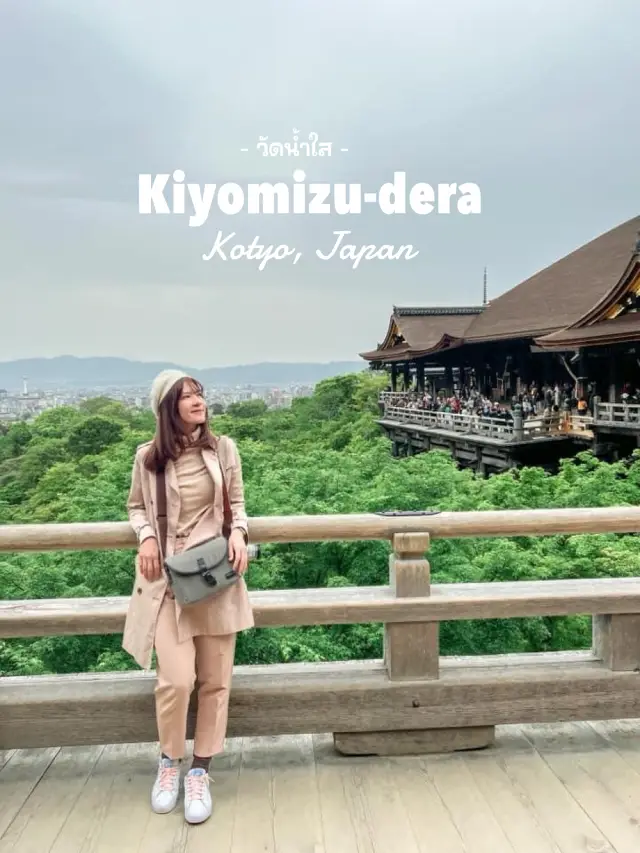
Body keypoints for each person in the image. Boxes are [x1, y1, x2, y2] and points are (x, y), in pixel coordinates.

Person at [122, 369, 253, 824]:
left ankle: (201, 770)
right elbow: (136, 506)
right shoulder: (148, 458)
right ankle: (169, 762)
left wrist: (239, 533)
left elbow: (237, 503)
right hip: (168, 586)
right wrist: (145, 538)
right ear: (167, 408)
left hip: (215, 578)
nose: (198, 401)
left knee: (216, 680)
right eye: (187, 396)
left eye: (200, 393)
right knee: (176, 680)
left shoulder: (223, 449)